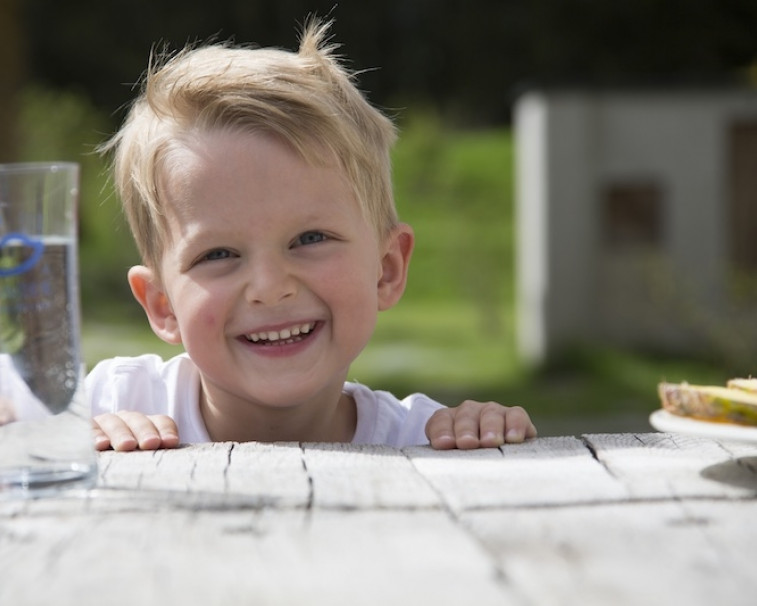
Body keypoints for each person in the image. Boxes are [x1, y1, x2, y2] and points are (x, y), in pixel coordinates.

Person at [89, 19, 537, 451]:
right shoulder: (115, 402)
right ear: (161, 303)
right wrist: (66, 442)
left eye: (309, 239)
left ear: (386, 269)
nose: (270, 288)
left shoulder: (426, 440)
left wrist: (489, 434)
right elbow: (20, 438)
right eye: (218, 253)